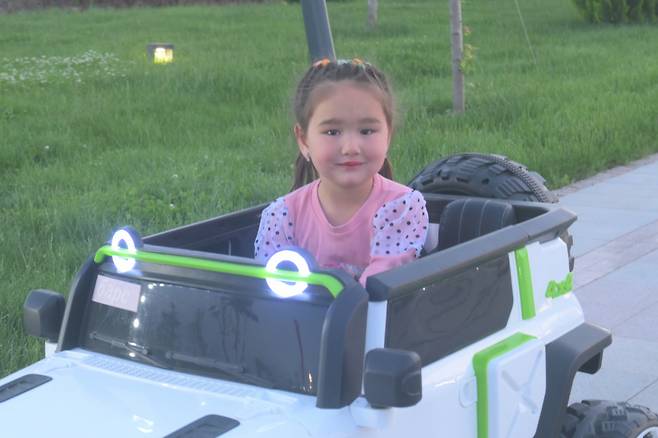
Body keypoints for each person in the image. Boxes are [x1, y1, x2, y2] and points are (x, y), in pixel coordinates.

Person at [254, 58, 429, 287]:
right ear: (304, 139)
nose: (350, 148)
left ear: (388, 136)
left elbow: (374, 297)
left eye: (366, 131)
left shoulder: (402, 209)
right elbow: (271, 295)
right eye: (332, 132)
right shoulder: (283, 217)